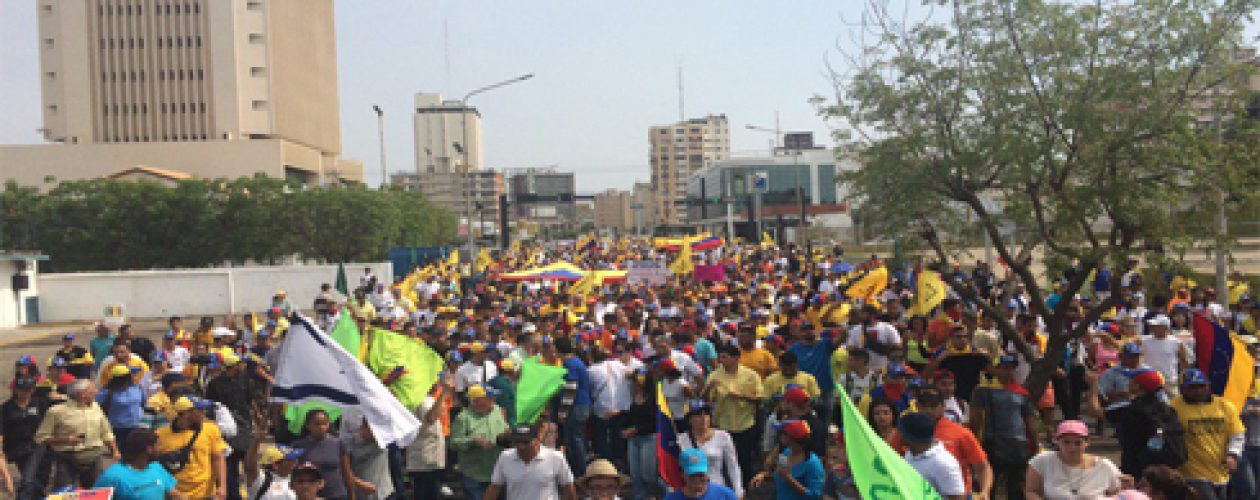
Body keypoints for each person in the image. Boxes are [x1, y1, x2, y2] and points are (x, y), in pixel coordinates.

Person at [890, 387, 991, 499]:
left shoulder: (960, 433)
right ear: (917, 406)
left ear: (943, 407)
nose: (928, 410)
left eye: (933, 406)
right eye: (923, 405)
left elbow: (982, 465)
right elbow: (891, 460)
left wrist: (984, 491)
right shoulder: (907, 432)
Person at [970, 354, 1038, 500]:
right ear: (996, 369)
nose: (1008, 371)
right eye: (1004, 368)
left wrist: (1035, 444)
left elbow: (1030, 421)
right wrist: (975, 442)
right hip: (991, 442)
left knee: (1017, 488)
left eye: (1012, 368)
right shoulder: (982, 390)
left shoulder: (1022, 393)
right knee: (989, 485)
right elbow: (975, 419)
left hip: (1017, 445)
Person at [1171, 369, 1245, 499]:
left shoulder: (1225, 405)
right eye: (1193, 387)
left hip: (1221, 472)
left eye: (1202, 386)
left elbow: (1237, 434)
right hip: (1192, 474)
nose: (1198, 390)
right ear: (1184, 388)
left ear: (1208, 386)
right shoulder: (1174, 407)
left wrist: (1233, 454)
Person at [35, 379, 120, 489]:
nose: (96, 391)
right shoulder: (56, 411)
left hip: (93, 458)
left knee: (96, 491)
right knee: (65, 492)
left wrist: (115, 450)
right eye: (92, 389)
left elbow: (106, 431)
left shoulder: (96, 407)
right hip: (67, 459)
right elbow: (41, 437)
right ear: (82, 394)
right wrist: (65, 440)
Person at [1105, 369, 1185, 477]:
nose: (1128, 383)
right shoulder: (1167, 409)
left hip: (1138, 468)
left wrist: (1093, 386)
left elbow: (1095, 411)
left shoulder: (1132, 409)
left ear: (1138, 387)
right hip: (1166, 467)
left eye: (1132, 381)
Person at [702, 345, 762, 486]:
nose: (721, 360)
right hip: (723, 425)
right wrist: (710, 387)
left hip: (744, 424)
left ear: (735, 358)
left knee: (744, 460)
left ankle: (745, 490)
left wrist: (742, 396)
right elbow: (704, 399)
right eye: (720, 357)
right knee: (724, 462)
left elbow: (760, 397)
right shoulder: (715, 375)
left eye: (724, 357)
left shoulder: (751, 375)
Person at [1025, 420, 1123, 499]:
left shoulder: (1104, 465)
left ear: (1087, 442)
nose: (1072, 448)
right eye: (1066, 442)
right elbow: (1031, 491)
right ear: (1057, 441)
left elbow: (1117, 494)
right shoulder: (1041, 461)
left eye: (1078, 443)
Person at [155, 396, 227, 499]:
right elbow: (155, 466)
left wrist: (222, 487)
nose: (204, 412)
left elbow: (218, 458)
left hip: (206, 494)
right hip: (177, 495)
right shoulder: (160, 435)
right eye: (200, 409)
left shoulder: (211, 429)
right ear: (186, 413)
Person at [484, 424, 578, 500]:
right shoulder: (505, 457)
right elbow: (494, 488)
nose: (521, 446)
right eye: (517, 442)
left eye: (526, 442)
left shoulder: (555, 457)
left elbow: (568, 488)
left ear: (537, 440)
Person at [451, 384, 510, 500]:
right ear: (477, 401)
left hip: (496, 472)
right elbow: (454, 443)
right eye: (490, 397)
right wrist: (473, 440)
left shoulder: (497, 410)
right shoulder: (463, 418)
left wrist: (507, 435)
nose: (494, 400)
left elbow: (505, 428)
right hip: (474, 475)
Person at [93, 428, 182, 500]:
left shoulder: (156, 467)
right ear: (149, 449)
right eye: (158, 445)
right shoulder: (112, 476)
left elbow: (174, 493)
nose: (161, 449)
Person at [678, 403, 743, 497]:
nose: (703, 418)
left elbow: (733, 466)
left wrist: (738, 491)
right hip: (693, 491)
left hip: (717, 488)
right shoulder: (681, 440)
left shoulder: (723, 436)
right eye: (698, 415)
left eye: (706, 414)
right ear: (690, 419)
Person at [291, 409, 359, 500]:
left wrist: (352, 496)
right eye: (317, 424)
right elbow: (293, 474)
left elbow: (346, 472)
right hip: (311, 496)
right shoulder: (299, 446)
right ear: (308, 425)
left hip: (337, 494)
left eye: (324, 423)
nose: (321, 427)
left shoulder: (338, 444)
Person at [897, 412, 967, 499]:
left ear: (910, 438)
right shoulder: (910, 453)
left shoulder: (944, 463)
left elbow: (958, 498)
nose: (897, 433)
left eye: (901, 431)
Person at [751, 419, 825, 500]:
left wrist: (790, 479)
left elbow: (815, 495)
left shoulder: (813, 464)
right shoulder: (786, 453)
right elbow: (779, 474)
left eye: (783, 434)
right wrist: (764, 475)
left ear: (791, 438)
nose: (780, 436)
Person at [619, 369, 660, 500]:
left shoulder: (654, 398)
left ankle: (656, 494)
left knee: (648, 474)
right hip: (633, 438)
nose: (635, 383)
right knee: (635, 475)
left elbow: (656, 422)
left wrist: (636, 430)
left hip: (649, 438)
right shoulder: (633, 396)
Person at [0, 376, 43, 494]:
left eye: (28, 390)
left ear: (32, 390)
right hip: (17, 448)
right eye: (21, 389)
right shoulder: (6, 408)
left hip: (36, 446)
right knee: (31, 480)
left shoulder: (38, 404)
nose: (24, 393)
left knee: (29, 479)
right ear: (15, 390)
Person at [407, 381, 449, 500]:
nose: (437, 384)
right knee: (426, 493)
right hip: (424, 459)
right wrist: (444, 393)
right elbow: (431, 417)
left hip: (432, 457)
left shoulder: (428, 399)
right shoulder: (421, 400)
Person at [244, 421, 304, 500]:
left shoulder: (297, 481)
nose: (296, 462)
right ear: (276, 465)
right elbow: (250, 468)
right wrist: (256, 441)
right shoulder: (263, 480)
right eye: (291, 460)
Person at [97, 363, 146, 444]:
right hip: (117, 429)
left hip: (137, 427)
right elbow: (97, 407)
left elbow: (144, 404)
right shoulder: (108, 392)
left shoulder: (137, 388)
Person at [663, 448, 739, 500]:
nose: (697, 479)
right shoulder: (672, 498)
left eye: (701, 475)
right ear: (682, 474)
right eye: (692, 475)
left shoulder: (725, 495)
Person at [343, 422, 392, 499]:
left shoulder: (384, 442)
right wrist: (359, 483)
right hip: (360, 494)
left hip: (384, 493)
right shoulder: (349, 444)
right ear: (362, 428)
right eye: (372, 428)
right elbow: (343, 471)